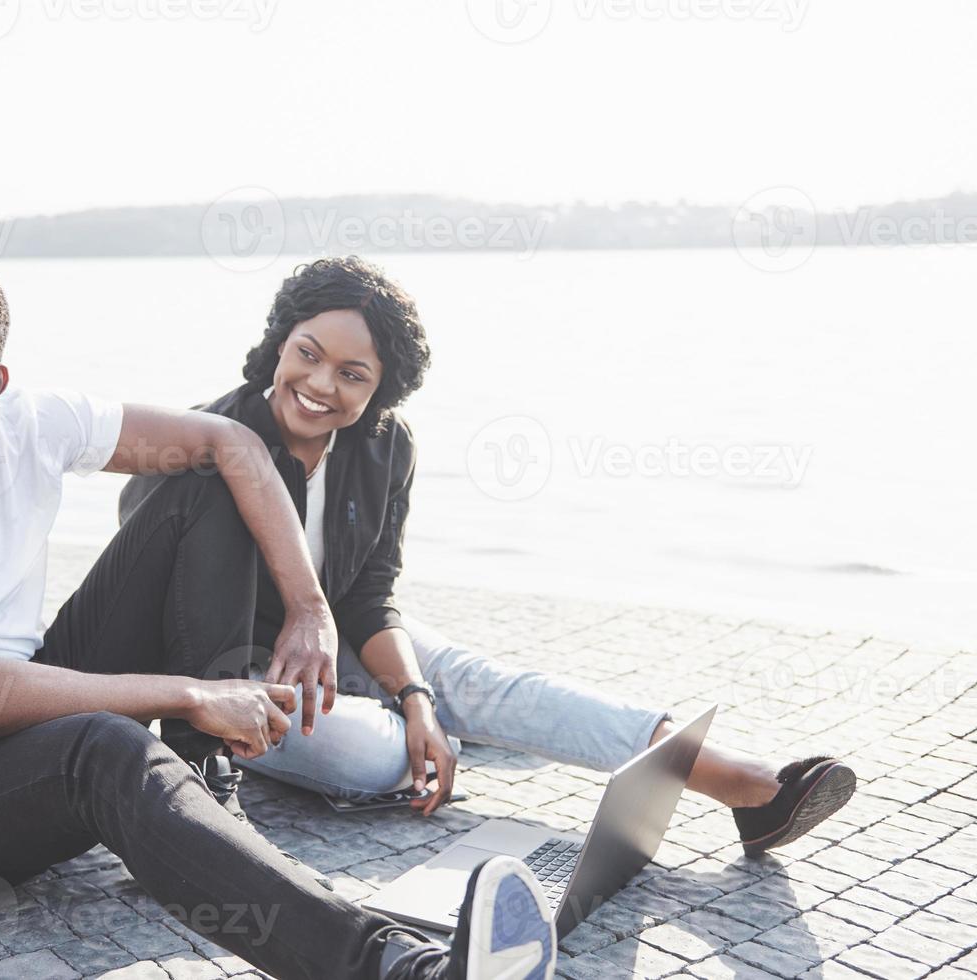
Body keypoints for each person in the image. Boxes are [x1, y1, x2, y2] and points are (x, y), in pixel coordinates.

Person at [0, 251, 560, 980]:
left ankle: (205, 781)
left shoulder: (26, 423)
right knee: (107, 743)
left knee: (203, 482)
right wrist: (182, 693)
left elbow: (231, 445)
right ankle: (396, 970)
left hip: (29, 709)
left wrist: (309, 612)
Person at [120, 256, 856, 856]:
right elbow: (151, 609)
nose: (320, 385)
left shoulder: (383, 446)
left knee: (468, 679)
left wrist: (414, 697)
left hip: (337, 642)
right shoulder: (205, 442)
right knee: (375, 759)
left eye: (352, 374)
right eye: (308, 355)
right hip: (229, 678)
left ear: (380, 389)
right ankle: (418, 730)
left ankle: (747, 786)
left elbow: (370, 593)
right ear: (280, 340)